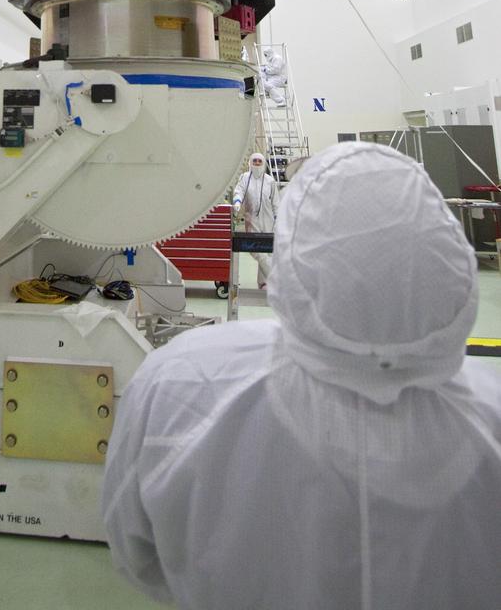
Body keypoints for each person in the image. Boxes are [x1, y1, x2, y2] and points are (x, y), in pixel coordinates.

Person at [103, 142, 501, 610]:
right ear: (446, 251)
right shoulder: (489, 416)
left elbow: (139, 557)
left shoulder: (182, 385)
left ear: (298, 249)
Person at [232, 150, 278, 286]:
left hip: (268, 218)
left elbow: (276, 202)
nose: (257, 163)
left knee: (267, 250)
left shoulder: (270, 181)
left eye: (259, 161)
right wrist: (237, 201)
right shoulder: (245, 177)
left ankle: (263, 283)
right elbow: (238, 190)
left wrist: (278, 219)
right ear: (250, 163)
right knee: (255, 249)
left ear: (263, 163)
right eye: (254, 161)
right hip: (251, 218)